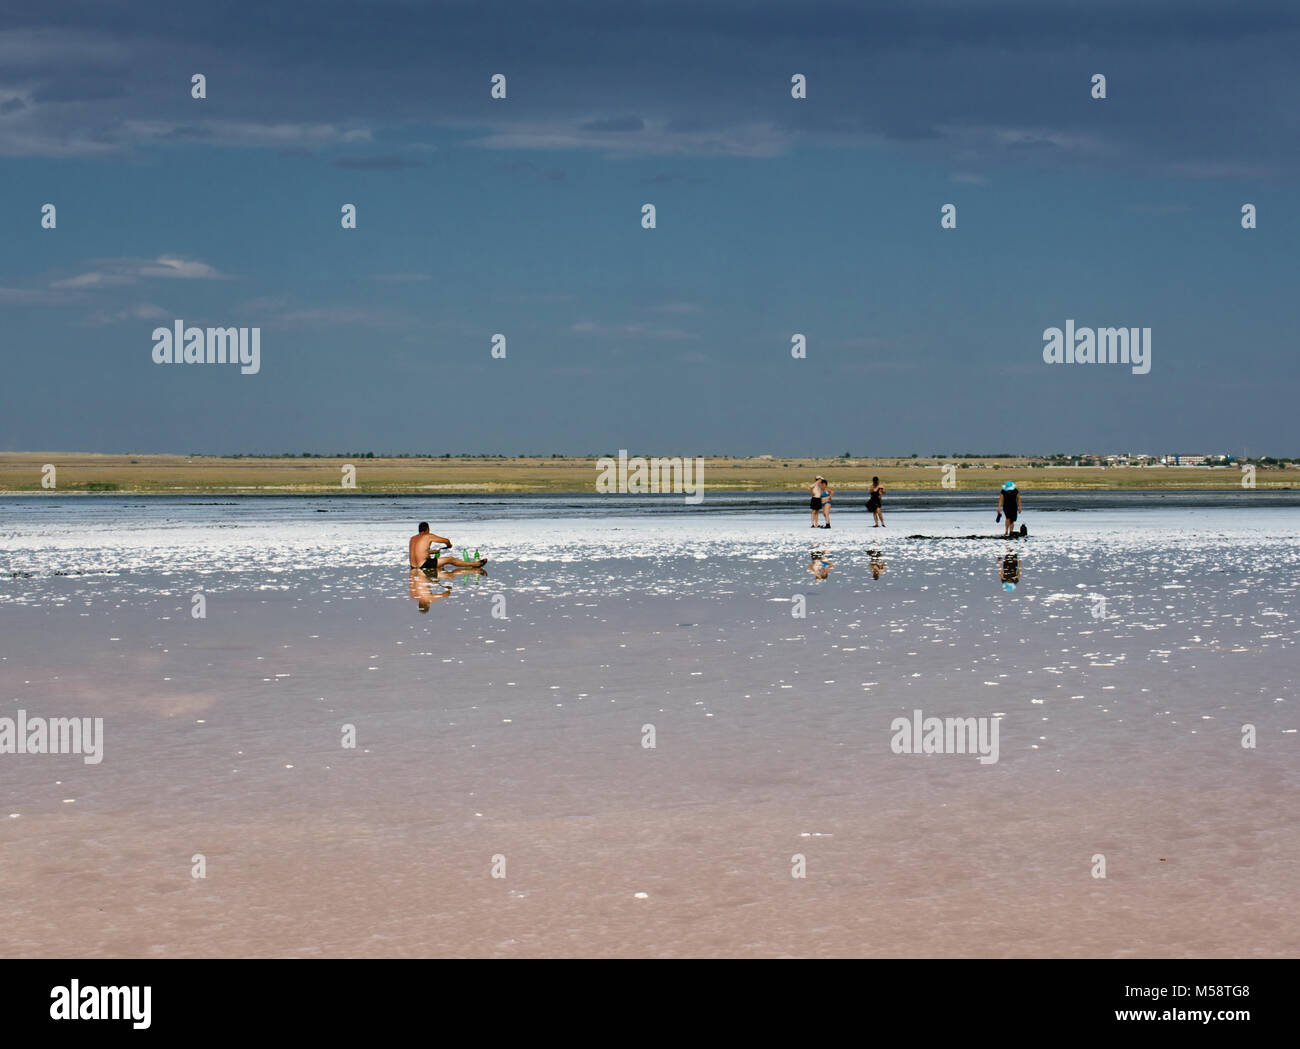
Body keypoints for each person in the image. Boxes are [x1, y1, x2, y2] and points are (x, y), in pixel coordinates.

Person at [408, 522, 486, 571]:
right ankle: (475, 564)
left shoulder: (412, 538)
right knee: (450, 559)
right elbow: (446, 540)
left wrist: (432, 552)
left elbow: (419, 553)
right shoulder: (428, 536)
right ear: (427, 529)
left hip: (413, 566)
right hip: (424, 565)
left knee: (439, 564)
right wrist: (449, 545)